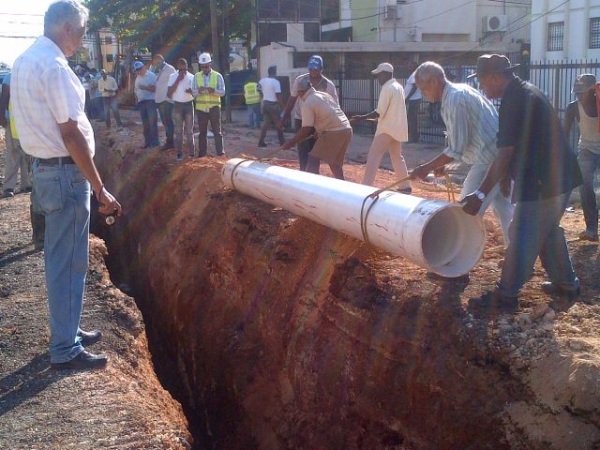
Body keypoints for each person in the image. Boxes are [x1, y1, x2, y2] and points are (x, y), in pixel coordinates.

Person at [11, 0, 122, 370]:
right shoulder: (55, 67)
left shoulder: (27, 59)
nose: (82, 39)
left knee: (63, 258)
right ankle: (65, 347)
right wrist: (100, 187)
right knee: (68, 262)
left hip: (47, 171)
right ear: (68, 29)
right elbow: (71, 134)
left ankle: (68, 330)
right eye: (82, 31)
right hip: (64, 174)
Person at [462, 54, 582, 312]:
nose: (481, 87)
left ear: (495, 77)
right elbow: (517, 143)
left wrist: (480, 195)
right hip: (557, 176)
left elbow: (504, 153)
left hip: (544, 181)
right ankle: (567, 284)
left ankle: (506, 296)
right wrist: (506, 177)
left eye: (482, 81)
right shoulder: (523, 92)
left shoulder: (514, 100)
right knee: (547, 231)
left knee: (523, 233)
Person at [409, 61, 514, 246]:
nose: (423, 95)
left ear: (434, 81)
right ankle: (517, 256)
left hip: (489, 158)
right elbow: (461, 142)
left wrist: (426, 168)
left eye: (423, 89)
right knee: (504, 209)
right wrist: (444, 163)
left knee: (466, 211)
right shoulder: (459, 91)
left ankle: (458, 268)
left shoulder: (454, 100)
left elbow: (456, 148)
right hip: (496, 155)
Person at [350, 62, 411, 193]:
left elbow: (379, 112)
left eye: (379, 75)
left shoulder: (387, 88)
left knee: (373, 156)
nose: (378, 78)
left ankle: (366, 186)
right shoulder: (398, 87)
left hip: (386, 129)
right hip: (397, 128)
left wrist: (360, 118)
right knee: (397, 156)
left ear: (385, 74)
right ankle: (405, 186)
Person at [281, 78, 352, 180]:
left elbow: (305, 130)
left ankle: (309, 186)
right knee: (334, 163)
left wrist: (290, 143)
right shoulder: (324, 95)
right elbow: (329, 113)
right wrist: (319, 131)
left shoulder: (308, 103)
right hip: (346, 130)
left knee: (313, 159)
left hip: (333, 132)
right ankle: (343, 186)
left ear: (301, 92)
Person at [280, 55, 338, 171]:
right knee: (302, 148)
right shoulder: (300, 80)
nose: (313, 72)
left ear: (321, 69)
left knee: (314, 150)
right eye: (310, 69)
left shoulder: (328, 85)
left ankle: (313, 173)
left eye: (315, 69)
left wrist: (327, 127)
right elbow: (292, 99)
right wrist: (284, 118)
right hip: (302, 119)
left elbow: (335, 106)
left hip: (318, 121)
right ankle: (303, 171)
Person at [564, 73, 600, 242]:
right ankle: (591, 228)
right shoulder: (573, 107)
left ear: (593, 90)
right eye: (577, 93)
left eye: (582, 92)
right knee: (585, 185)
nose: (579, 96)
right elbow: (564, 134)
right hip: (587, 149)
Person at [0, 72, 31, 198]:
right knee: (13, 155)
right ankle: (8, 187)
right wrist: (2, 118)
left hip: (27, 125)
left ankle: (27, 184)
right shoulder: (11, 77)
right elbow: (4, 99)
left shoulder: (31, 75)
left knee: (27, 155)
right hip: (13, 125)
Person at [194, 52, 225, 157]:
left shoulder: (217, 76)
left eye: (206, 66)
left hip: (214, 108)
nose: (205, 68)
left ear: (210, 64)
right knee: (202, 133)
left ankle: (220, 153)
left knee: (217, 131)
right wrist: (199, 91)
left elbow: (223, 92)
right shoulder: (196, 76)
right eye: (202, 67)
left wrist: (214, 91)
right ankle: (202, 154)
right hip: (201, 109)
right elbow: (193, 93)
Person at [167, 58, 196, 161]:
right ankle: (179, 154)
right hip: (177, 105)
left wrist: (191, 91)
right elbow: (169, 94)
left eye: (184, 69)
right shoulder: (172, 77)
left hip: (189, 105)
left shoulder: (192, 77)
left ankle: (192, 154)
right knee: (178, 131)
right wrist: (178, 80)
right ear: (177, 68)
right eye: (181, 70)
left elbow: (196, 94)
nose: (183, 72)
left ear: (187, 68)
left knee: (189, 131)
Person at [152, 54, 176, 150]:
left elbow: (174, 83)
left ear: (162, 61)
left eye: (158, 63)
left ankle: (170, 143)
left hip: (166, 100)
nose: (156, 65)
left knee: (168, 121)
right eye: (155, 63)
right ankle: (169, 141)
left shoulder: (170, 69)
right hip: (159, 99)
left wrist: (170, 94)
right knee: (165, 122)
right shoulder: (157, 70)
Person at [257, 65, 285, 148]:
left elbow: (258, 89)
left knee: (266, 124)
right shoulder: (276, 82)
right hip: (273, 105)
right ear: (275, 72)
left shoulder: (262, 80)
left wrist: (263, 96)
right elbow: (278, 96)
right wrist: (284, 108)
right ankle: (282, 143)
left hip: (265, 104)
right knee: (278, 123)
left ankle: (261, 142)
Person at [133, 61, 159, 149]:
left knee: (152, 123)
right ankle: (147, 143)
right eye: (137, 70)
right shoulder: (137, 78)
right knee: (145, 124)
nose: (138, 71)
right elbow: (136, 90)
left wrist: (145, 88)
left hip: (150, 101)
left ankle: (155, 143)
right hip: (142, 102)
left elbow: (156, 89)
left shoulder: (151, 76)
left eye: (139, 69)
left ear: (143, 67)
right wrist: (137, 99)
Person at [404, 60, 422, 143]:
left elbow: (414, 87)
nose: (408, 67)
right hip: (413, 99)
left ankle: (413, 137)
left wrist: (407, 98)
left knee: (412, 119)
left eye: (410, 65)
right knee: (411, 118)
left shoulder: (415, 74)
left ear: (414, 67)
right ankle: (414, 136)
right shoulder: (413, 74)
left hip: (414, 100)